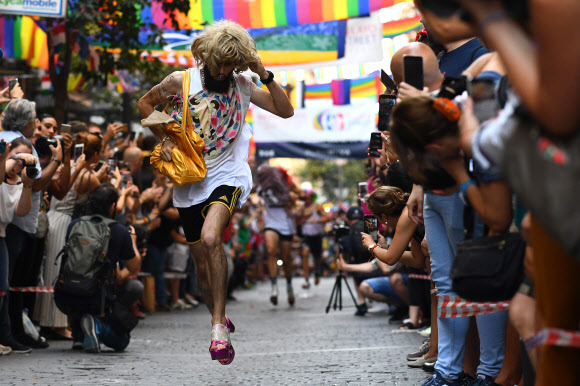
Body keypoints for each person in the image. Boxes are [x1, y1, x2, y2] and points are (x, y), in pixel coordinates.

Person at [138, 20, 293, 365]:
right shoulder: (181, 80)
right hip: (191, 177)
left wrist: (263, 73)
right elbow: (145, 105)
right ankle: (218, 313)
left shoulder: (243, 84)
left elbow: (285, 110)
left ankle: (217, 329)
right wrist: (163, 138)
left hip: (229, 174)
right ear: (206, 56)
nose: (225, 71)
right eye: (220, 63)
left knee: (212, 238)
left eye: (232, 64)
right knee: (201, 267)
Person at [55, 184, 141, 353]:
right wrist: (133, 241)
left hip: (68, 292)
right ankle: (98, 325)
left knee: (82, 298)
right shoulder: (119, 230)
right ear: (113, 206)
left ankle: (79, 335)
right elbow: (133, 266)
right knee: (123, 341)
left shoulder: (75, 224)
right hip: (98, 297)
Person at [0, 138, 37, 354]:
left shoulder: (18, 180)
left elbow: (21, 211)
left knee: (2, 287)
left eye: (25, 159)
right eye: (18, 156)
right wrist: (11, 157)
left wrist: (28, 185)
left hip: (2, 233)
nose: (20, 163)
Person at [298, 190, 331, 289]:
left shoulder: (317, 207)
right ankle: (306, 280)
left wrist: (317, 220)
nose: (307, 200)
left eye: (308, 197)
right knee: (305, 254)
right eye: (305, 198)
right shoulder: (302, 208)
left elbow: (328, 217)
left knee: (317, 259)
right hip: (306, 237)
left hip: (316, 236)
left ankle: (317, 272)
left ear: (312, 197)